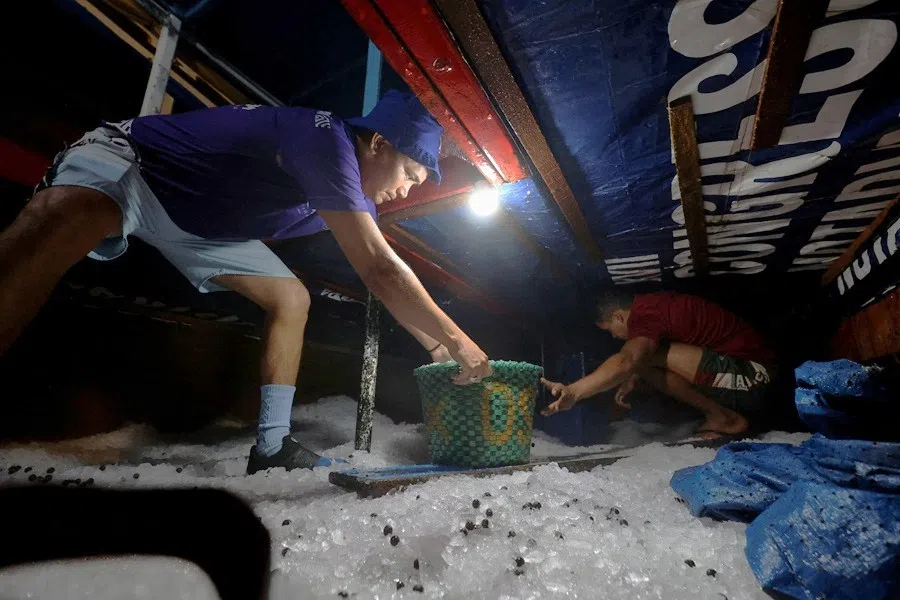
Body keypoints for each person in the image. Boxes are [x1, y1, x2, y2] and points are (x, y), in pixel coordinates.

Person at [0, 90, 492, 473]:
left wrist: (436, 350)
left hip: (201, 227)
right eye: (411, 173)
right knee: (69, 215)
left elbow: (383, 273)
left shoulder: (354, 194)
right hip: (137, 167)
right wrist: (457, 337)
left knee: (290, 297)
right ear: (379, 143)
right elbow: (381, 270)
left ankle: (273, 446)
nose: (407, 189)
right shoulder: (324, 140)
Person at [540, 289, 775, 438]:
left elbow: (627, 359)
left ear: (618, 316)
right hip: (743, 377)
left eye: (611, 330)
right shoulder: (653, 307)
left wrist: (573, 391)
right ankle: (721, 417)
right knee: (644, 365)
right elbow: (636, 363)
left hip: (754, 376)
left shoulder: (646, 315)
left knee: (642, 360)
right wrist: (631, 377)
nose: (614, 337)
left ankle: (726, 419)